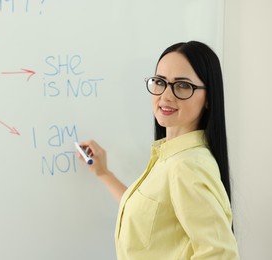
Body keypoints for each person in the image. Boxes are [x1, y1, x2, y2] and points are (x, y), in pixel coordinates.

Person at [76, 41, 240, 259]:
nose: (166, 95)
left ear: (209, 97)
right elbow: (149, 213)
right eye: (160, 82)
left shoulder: (187, 166)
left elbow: (220, 254)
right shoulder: (170, 157)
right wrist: (104, 173)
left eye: (182, 85)